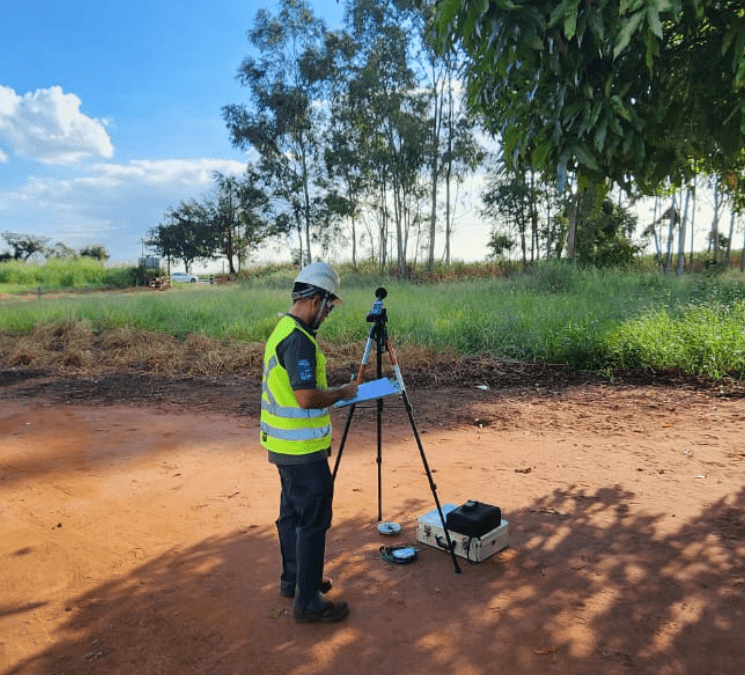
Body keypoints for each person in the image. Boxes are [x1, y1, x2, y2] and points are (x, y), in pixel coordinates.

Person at [260, 262, 358, 624]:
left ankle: (296, 581)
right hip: (301, 451)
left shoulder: (284, 330)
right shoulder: (298, 339)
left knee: (292, 515)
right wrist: (342, 393)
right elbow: (305, 398)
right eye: (329, 307)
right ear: (316, 300)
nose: (328, 314)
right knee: (313, 519)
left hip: (285, 448)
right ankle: (308, 602)